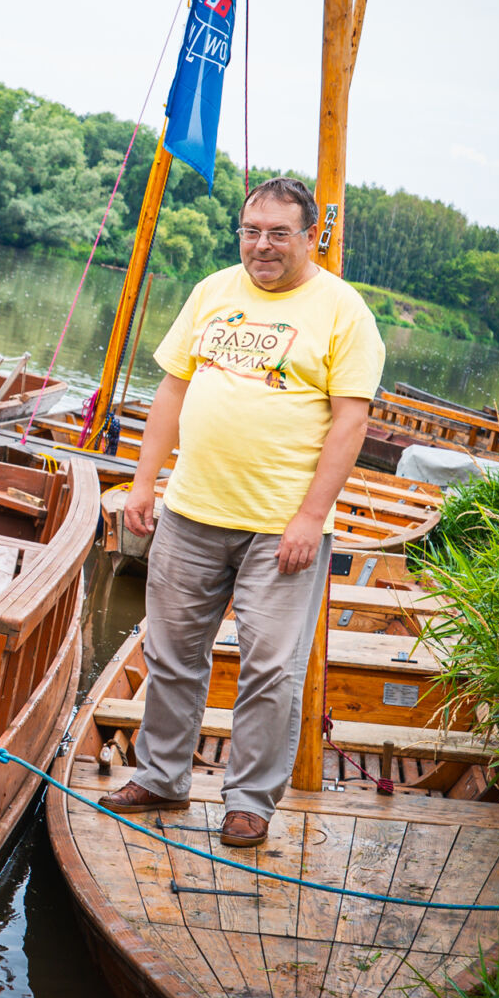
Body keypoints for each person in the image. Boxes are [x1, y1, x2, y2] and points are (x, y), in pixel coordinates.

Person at [101, 176, 384, 849]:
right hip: (192, 509)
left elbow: (350, 425)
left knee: (269, 668)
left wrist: (311, 518)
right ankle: (162, 777)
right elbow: (171, 391)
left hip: (279, 526)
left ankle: (249, 801)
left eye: (279, 233)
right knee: (171, 653)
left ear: (310, 237)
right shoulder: (213, 290)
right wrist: (145, 486)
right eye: (251, 231)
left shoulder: (343, 311)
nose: (262, 246)